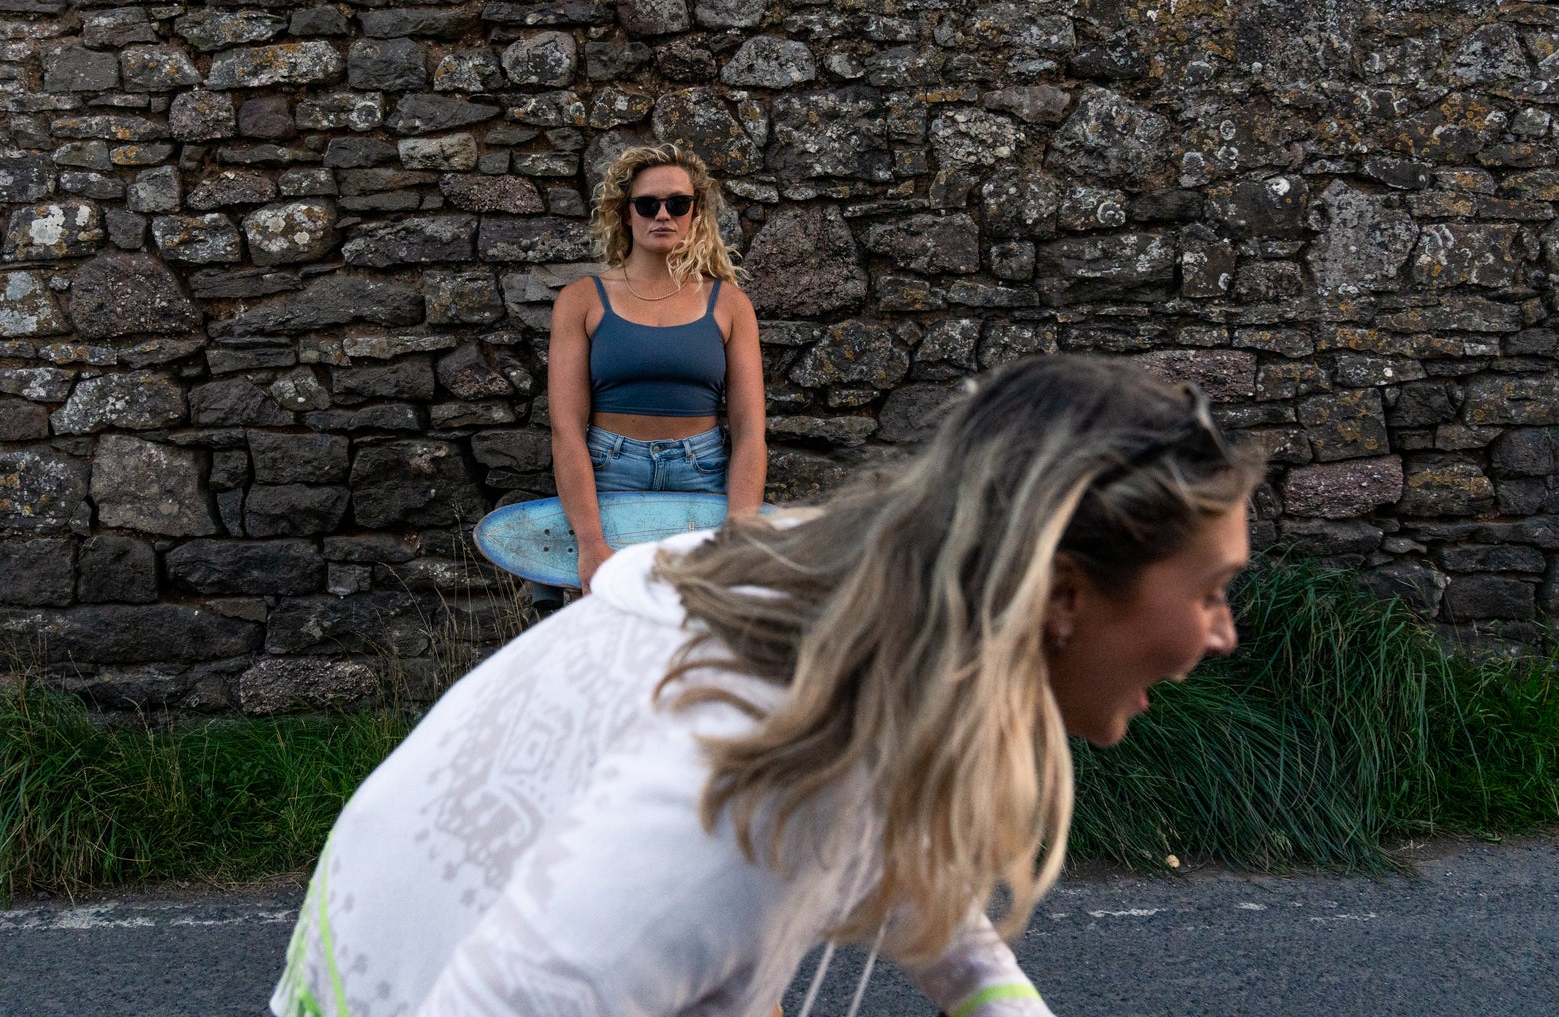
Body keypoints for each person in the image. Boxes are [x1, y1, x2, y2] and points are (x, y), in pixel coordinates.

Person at [270, 355, 1264, 1017]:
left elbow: (909, 855)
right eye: (1211, 590)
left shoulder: (852, 598)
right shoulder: (759, 781)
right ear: (1060, 592)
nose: (1221, 633)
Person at [540, 142, 766, 612]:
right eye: (648, 204)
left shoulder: (729, 304)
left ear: (695, 213)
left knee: (700, 622)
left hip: (703, 473)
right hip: (609, 472)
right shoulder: (582, 300)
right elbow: (565, 429)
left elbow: (750, 433)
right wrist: (589, 541)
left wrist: (739, 536)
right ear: (625, 213)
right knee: (607, 620)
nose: (663, 215)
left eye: (678, 204)